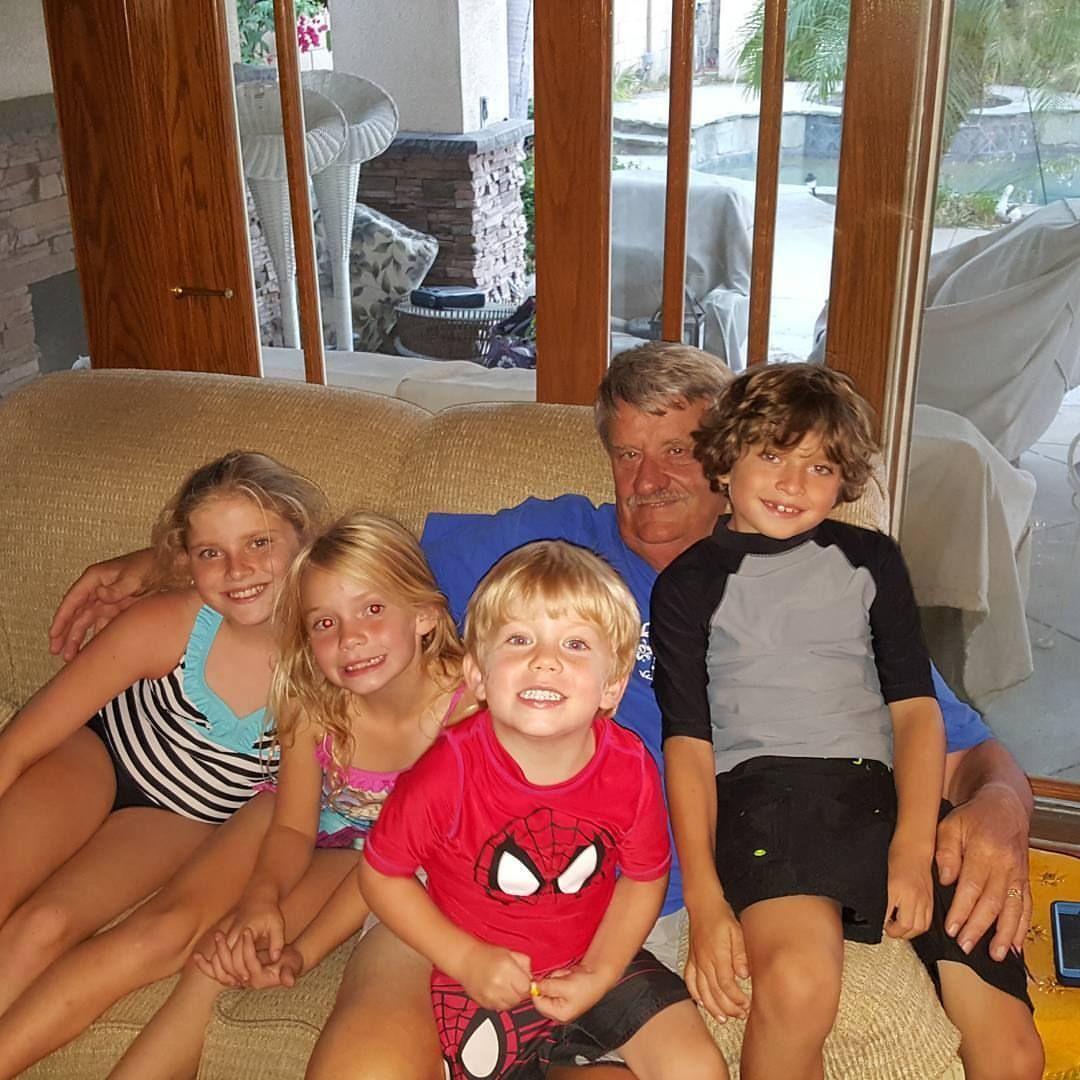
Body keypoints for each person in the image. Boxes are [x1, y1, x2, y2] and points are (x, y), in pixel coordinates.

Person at [47, 342, 1035, 1079]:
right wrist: (166, 561)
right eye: (626, 454)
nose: (647, 480)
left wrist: (1001, 806)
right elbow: (330, 559)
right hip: (462, 878)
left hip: (647, 902)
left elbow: (958, 744)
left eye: (676, 450)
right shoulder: (539, 541)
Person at [652, 364, 1042, 1080]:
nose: (794, 483)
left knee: (1015, 1054)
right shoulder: (687, 586)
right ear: (726, 459)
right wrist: (705, 901)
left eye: (820, 467)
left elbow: (916, 713)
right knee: (800, 987)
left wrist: (911, 846)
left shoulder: (871, 561)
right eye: (773, 455)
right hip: (765, 799)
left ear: (844, 482)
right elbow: (688, 747)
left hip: (885, 794)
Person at [100, 512, 476, 1079]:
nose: (349, 638)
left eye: (372, 610)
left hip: (400, 866)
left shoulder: (470, 708)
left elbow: (398, 863)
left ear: (424, 615)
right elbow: (295, 826)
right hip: (330, 837)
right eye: (324, 623)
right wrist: (262, 897)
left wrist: (307, 950)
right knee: (219, 957)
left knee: (234, 954)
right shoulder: (312, 700)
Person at [0, 451, 326, 1071]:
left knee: (45, 924)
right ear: (187, 562)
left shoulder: (328, 656)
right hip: (97, 756)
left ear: (304, 537)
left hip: (180, 819)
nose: (238, 569)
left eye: (259, 543)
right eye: (211, 553)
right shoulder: (170, 622)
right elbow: (23, 740)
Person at [359, 540, 728, 1079]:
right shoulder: (447, 771)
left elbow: (644, 876)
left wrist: (599, 972)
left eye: (575, 644)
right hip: (481, 977)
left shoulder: (630, 768)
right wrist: (464, 958)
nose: (545, 660)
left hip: (595, 959)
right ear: (477, 675)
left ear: (612, 686)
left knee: (697, 1069)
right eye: (519, 639)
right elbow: (381, 873)